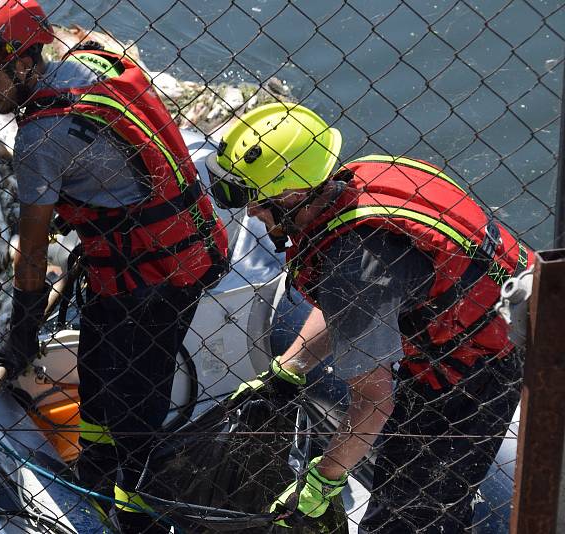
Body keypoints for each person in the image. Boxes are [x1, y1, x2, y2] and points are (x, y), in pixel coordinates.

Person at [0, 1, 229, 532]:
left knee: (135, 392)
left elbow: (30, 251)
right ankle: (98, 470)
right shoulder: (94, 63)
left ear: (25, 62)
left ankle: (135, 505)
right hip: (193, 242)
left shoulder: (38, 138)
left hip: (150, 277)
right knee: (99, 371)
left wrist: (23, 329)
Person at [206, 102, 531, 532]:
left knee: (409, 511)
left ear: (292, 195)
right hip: (502, 308)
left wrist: (323, 481)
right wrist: (292, 367)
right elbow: (354, 308)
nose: (251, 213)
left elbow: (375, 400)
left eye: (258, 202)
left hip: (477, 366)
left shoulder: (352, 262)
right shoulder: (360, 180)